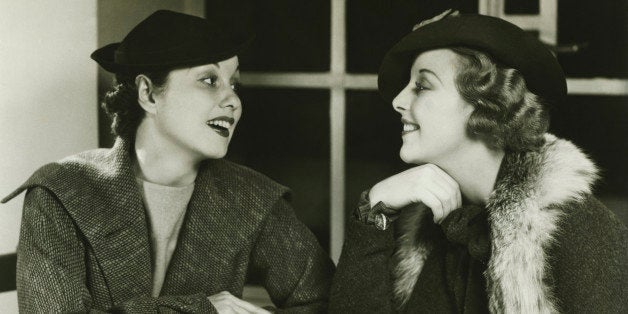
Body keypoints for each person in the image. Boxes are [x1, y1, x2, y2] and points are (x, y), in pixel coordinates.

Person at [2, 10, 334, 313]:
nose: (233, 99)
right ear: (148, 93)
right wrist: (204, 310)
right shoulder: (61, 192)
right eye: (209, 80)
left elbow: (327, 301)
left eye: (234, 83)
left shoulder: (252, 198)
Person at [330, 10, 627, 313]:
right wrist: (375, 209)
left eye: (422, 86)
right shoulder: (436, 227)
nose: (398, 100)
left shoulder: (577, 228)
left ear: (485, 104)